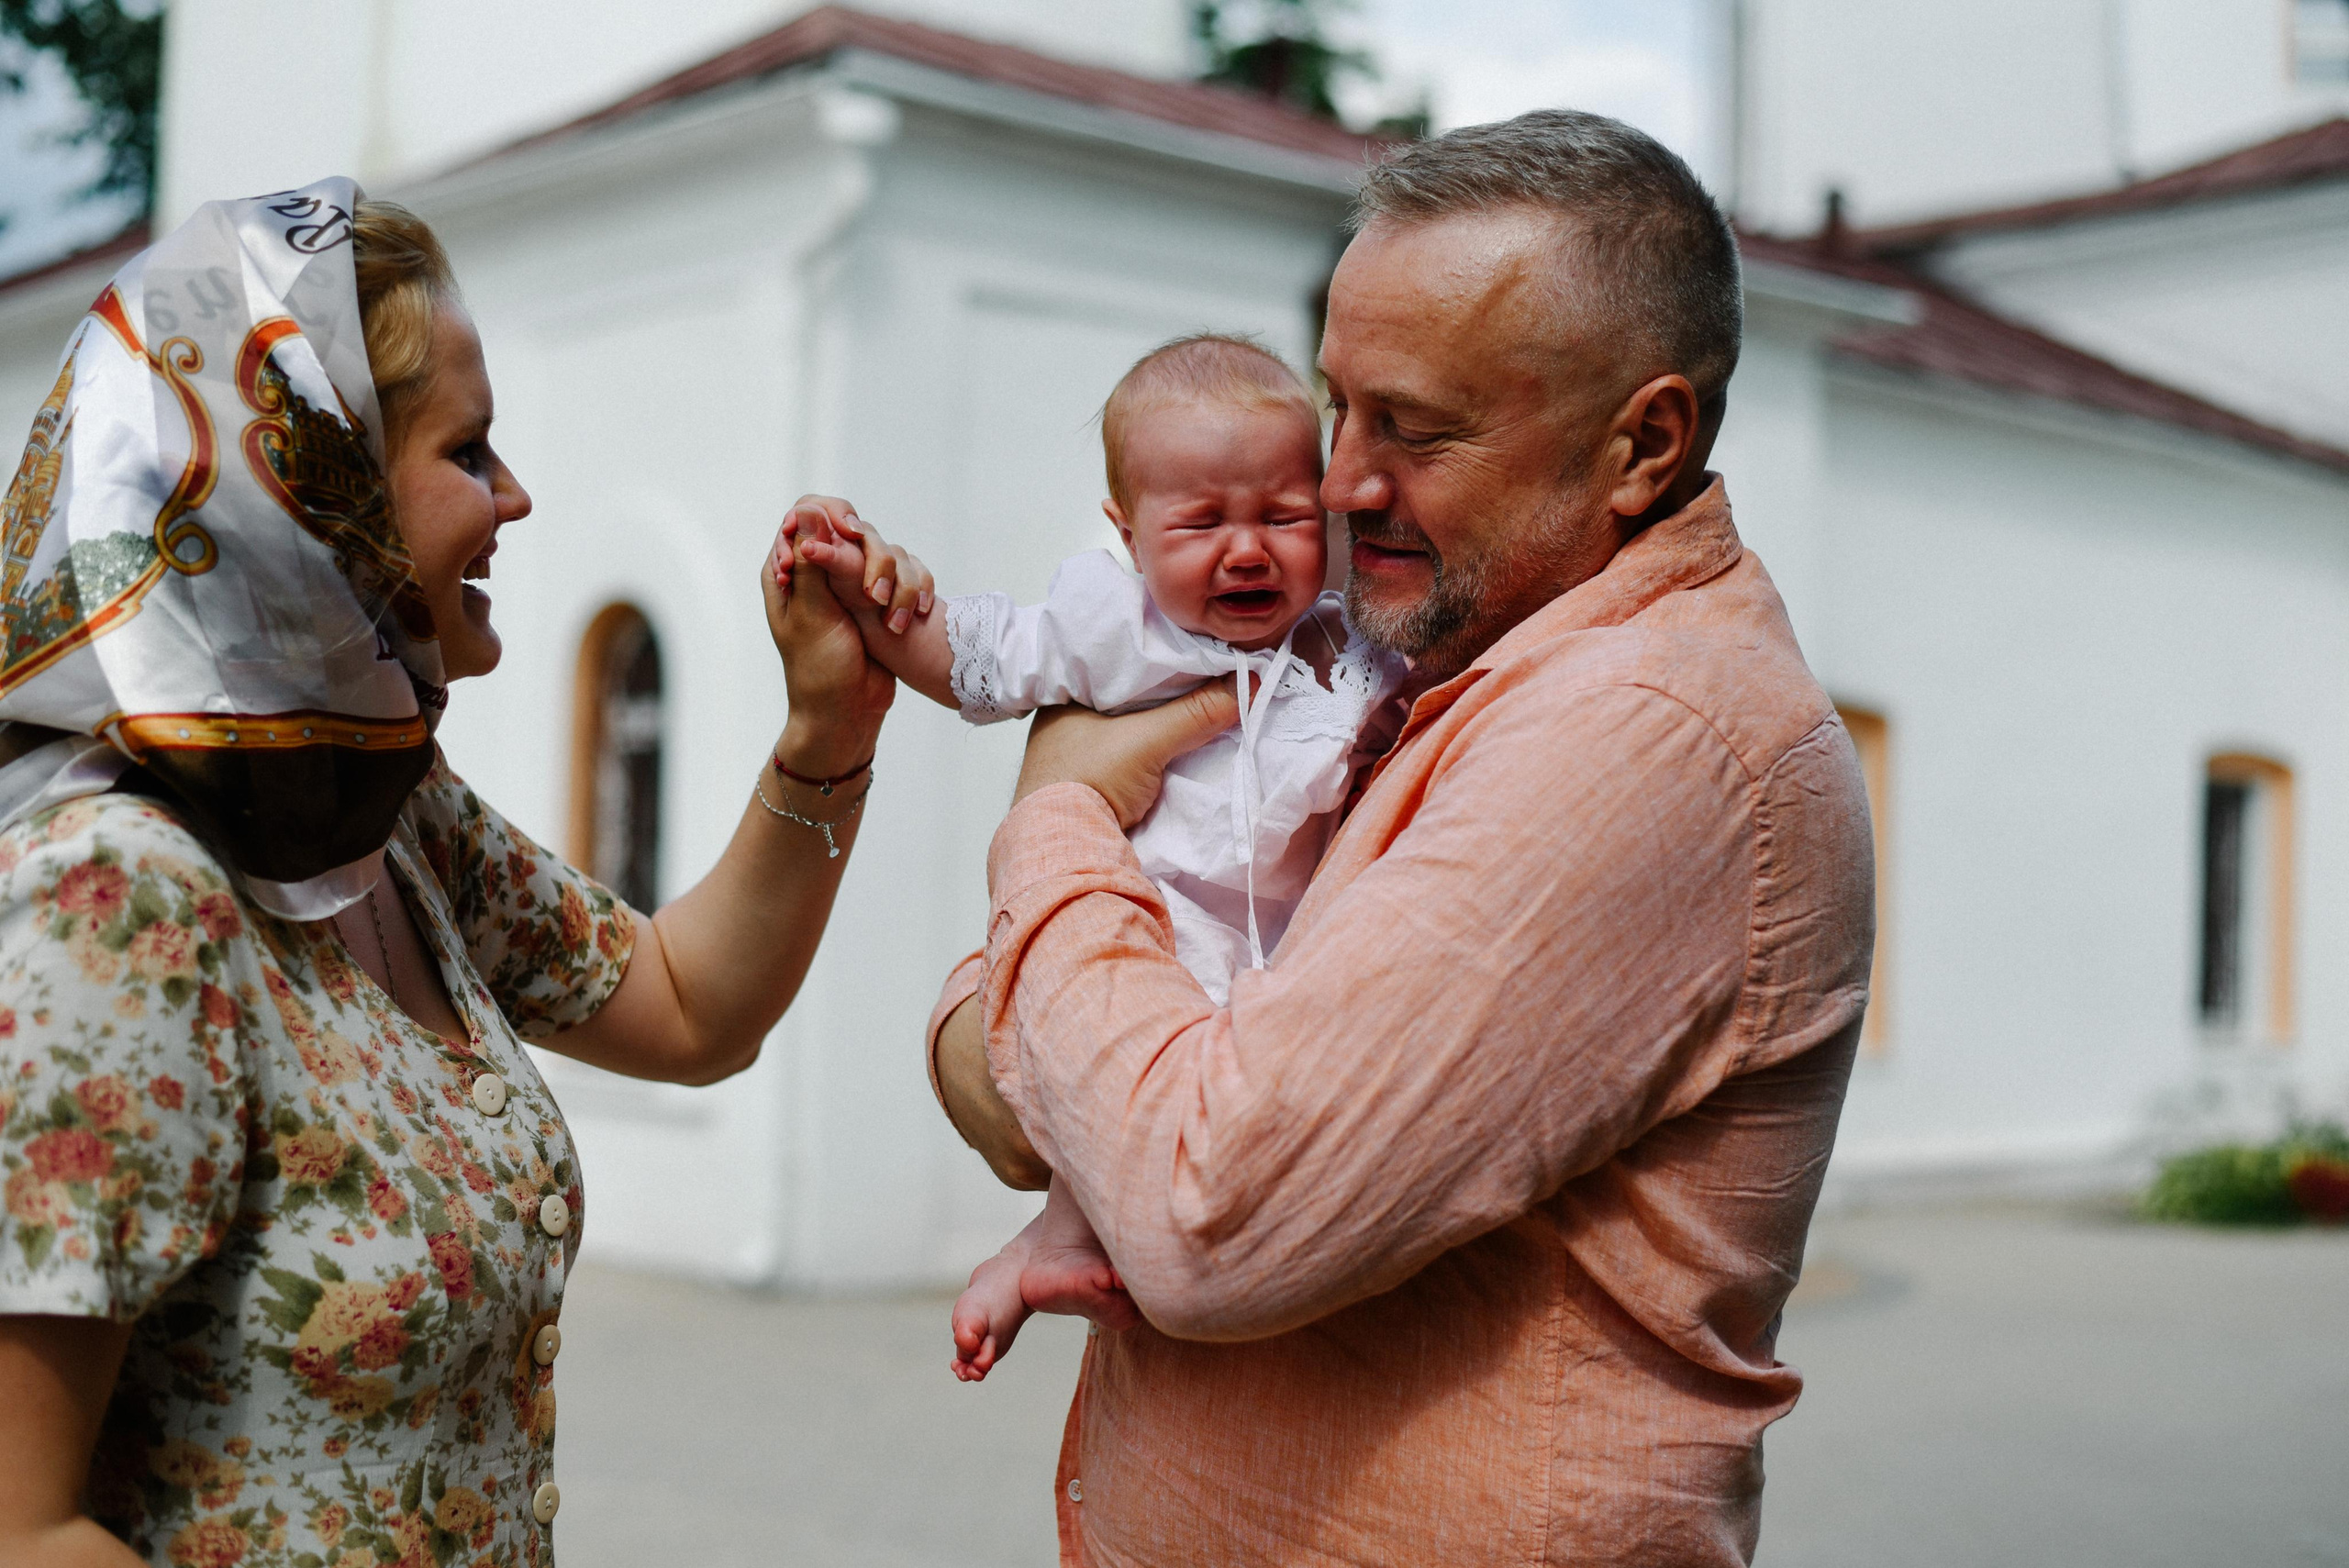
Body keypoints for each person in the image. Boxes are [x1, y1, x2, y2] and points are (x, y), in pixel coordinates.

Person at [923, 111, 1876, 1565]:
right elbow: (1007, 1073)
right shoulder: (1429, 658)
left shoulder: (1647, 734)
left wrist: (1053, 818)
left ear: (1645, 442)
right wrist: (1049, 1046)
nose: (1342, 484)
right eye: (1339, 409)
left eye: (1416, 429)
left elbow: (1200, 1203)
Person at [0, 182, 927, 1568]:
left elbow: (688, 1007)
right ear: (307, 490)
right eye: (470, 450)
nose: (515, 495)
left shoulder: (386, 815)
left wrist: (827, 731)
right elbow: (22, 1524)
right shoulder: (123, 891)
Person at [786, 333, 1408, 1381]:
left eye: (1284, 516)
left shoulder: (1348, 645)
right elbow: (975, 659)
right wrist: (874, 587)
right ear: (1127, 532)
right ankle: (1057, 1238)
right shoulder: (1115, 629)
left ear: (1331, 517)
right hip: (1157, 913)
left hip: (1288, 947)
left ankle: (1079, 1244)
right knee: (1128, 1042)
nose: (1247, 550)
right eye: (1201, 522)